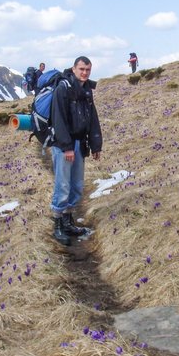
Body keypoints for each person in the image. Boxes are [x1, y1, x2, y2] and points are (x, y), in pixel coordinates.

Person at [49, 56, 103, 246]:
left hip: (79, 144)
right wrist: (66, 146)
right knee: (63, 185)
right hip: (64, 146)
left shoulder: (87, 89)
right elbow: (59, 119)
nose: (85, 73)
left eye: (88, 69)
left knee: (76, 185)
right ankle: (57, 226)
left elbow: (92, 118)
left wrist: (96, 145)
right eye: (81, 69)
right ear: (73, 69)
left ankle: (68, 221)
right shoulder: (63, 88)